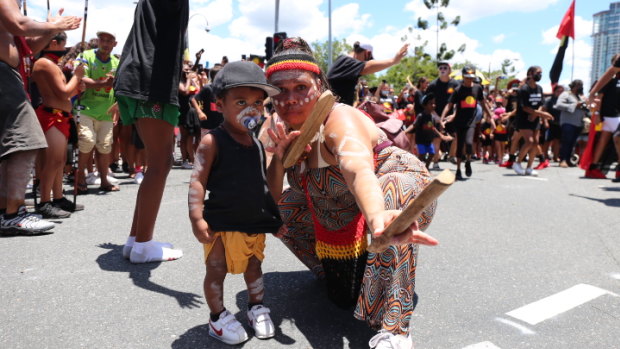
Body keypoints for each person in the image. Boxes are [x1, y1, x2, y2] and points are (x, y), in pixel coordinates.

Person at [265, 37, 439, 349]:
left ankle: (396, 328)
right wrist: (279, 157)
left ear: (318, 85)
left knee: (391, 191)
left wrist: (378, 218)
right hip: (336, 206)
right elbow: (272, 193)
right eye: (280, 90)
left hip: (390, 194)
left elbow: (358, 168)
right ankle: (342, 273)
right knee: (284, 205)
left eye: (300, 87)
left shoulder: (339, 118)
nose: (290, 98)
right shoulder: (275, 127)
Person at [188, 61, 282, 345]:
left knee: (254, 267)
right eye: (241, 101)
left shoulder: (256, 144)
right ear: (219, 104)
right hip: (220, 223)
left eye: (257, 102)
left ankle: (256, 306)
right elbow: (197, 181)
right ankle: (217, 318)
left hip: (252, 222)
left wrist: (279, 156)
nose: (251, 109)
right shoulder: (212, 141)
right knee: (216, 270)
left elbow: (266, 186)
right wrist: (196, 217)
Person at [114, 0, 188, 263]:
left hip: (139, 78)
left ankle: (136, 239)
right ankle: (143, 245)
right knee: (160, 163)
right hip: (150, 80)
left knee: (156, 163)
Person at [0, 1, 80, 234]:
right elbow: (20, 24)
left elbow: (28, 47)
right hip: (5, 76)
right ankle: (14, 213)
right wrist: (51, 24)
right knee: (26, 141)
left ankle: (7, 212)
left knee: (12, 149)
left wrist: (52, 28)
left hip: (10, 76)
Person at [31, 32, 85, 218]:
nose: (65, 47)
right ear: (54, 43)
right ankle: (45, 201)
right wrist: (77, 77)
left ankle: (58, 198)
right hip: (51, 117)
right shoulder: (44, 63)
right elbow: (63, 93)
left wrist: (77, 85)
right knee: (52, 161)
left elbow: (67, 93)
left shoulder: (52, 64)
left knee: (60, 161)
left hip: (62, 117)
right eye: (64, 43)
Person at [75, 30, 120, 193]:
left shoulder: (117, 63)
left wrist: (118, 107)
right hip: (85, 108)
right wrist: (102, 84)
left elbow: (120, 87)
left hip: (106, 112)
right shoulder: (85, 55)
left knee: (105, 146)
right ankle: (80, 177)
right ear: (98, 41)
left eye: (110, 41)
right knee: (87, 141)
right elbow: (80, 79)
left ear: (115, 45)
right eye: (103, 40)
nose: (106, 44)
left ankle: (104, 180)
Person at [441, 65, 493, 180]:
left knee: (469, 143)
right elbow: (449, 105)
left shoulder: (478, 88)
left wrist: (490, 116)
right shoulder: (458, 90)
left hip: (471, 121)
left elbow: (483, 103)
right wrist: (442, 118)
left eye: (471, 77)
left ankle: (468, 161)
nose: (469, 79)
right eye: (467, 77)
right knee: (460, 146)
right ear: (463, 77)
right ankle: (459, 170)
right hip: (459, 121)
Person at [327, 41, 409, 106]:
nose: (365, 61)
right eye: (368, 59)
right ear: (367, 53)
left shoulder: (344, 63)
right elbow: (368, 66)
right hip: (333, 112)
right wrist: (393, 61)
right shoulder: (346, 62)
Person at [512, 66, 553, 176]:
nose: (540, 75)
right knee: (529, 141)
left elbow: (541, 104)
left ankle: (529, 167)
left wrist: (536, 115)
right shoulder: (523, 89)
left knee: (535, 143)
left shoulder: (539, 88)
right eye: (538, 73)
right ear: (530, 73)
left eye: (541, 73)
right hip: (523, 119)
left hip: (534, 119)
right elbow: (524, 107)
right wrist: (541, 114)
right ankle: (517, 163)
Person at [584, 54, 620, 179]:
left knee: (605, 142)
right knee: (612, 140)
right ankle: (596, 167)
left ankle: (594, 167)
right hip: (610, 116)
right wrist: (597, 114)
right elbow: (599, 98)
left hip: (613, 117)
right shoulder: (611, 80)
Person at [408, 93, 450, 169]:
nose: (433, 105)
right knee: (422, 154)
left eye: (434, 103)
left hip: (429, 141)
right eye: (430, 104)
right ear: (424, 105)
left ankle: (426, 168)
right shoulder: (421, 116)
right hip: (421, 140)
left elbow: (433, 128)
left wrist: (441, 136)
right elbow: (414, 125)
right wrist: (406, 131)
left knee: (431, 153)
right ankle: (417, 169)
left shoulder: (432, 117)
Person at [554, 79, 587, 168]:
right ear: (573, 86)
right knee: (566, 141)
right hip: (568, 122)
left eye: (581, 85)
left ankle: (568, 159)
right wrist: (575, 105)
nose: (580, 87)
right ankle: (563, 160)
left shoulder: (580, 96)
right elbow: (558, 105)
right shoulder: (566, 94)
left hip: (578, 123)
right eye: (578, 85)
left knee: (572, 142)